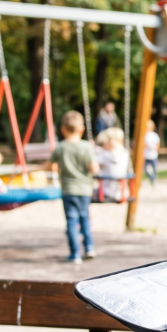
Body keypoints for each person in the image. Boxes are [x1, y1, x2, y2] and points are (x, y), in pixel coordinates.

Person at [50, 110, 99, 264]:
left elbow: (50, 165)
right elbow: (94, 169)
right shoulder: (87, 147)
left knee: (71, 221)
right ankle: (89, 247)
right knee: (84, 218)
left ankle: (75, 254)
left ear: (63, 129)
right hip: (84, 190)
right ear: (82, 129)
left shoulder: (61, 147)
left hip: (68, 190)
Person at [94, 127, 130, 201]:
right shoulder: (125, 153)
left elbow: (92, 161)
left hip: (106, 193)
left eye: (103, 143)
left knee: (86, 193)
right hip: (122, 192)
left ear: (110, 143)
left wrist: (92, 148)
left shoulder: (104, 155)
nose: (102, 145)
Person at [143, 119, 161, 185]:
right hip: (146, 155)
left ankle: (154, 181)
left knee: (154, 169)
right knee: (145, 169)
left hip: (153, 155)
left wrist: (154, 148)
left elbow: (158, 145)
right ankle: (151, 178)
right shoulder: (144, 135)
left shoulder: (154, 135)